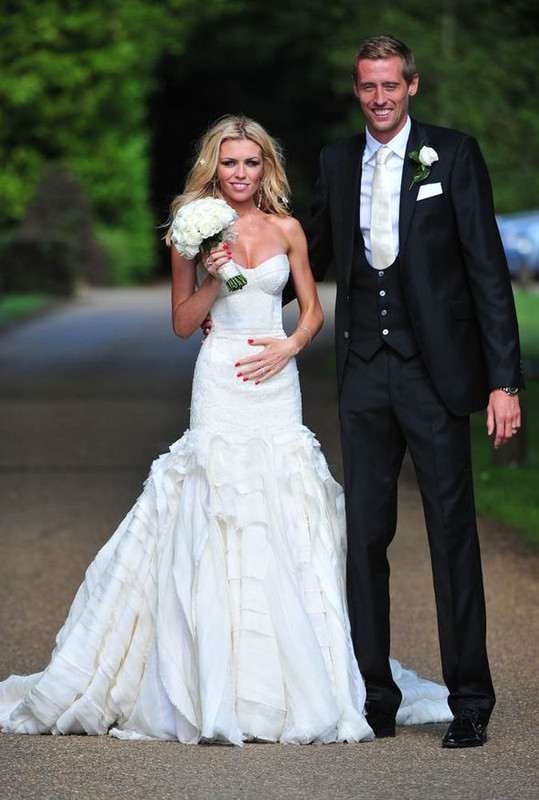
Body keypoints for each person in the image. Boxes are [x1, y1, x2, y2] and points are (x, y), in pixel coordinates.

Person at [0, 115, 451, 745]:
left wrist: (289, 346)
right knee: (215, 507)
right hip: (219, 378)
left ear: (266, 166)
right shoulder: (193, 229)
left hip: (275, 377)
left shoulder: (289, 229)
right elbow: (184, 325)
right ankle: (208, 674)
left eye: (251, 162)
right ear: (214, 166)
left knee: (281, 505)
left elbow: (314, 310)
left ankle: (292, 675)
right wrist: (213, 277)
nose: (240, 174)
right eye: (229, 163)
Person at [304, 36, 523, 748]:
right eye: (367, 87)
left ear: (412, 85)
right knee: (364, 536)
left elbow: (487, 273)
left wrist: (503, 381)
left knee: (450, 533)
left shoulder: (452, 156)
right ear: (354, 87)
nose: (378, 99)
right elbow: (308, 255)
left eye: (390, 86)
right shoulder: (337, 162)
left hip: (434, 375)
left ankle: (470, 699)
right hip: (363, 371)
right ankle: (374, 698)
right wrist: (236, 284)